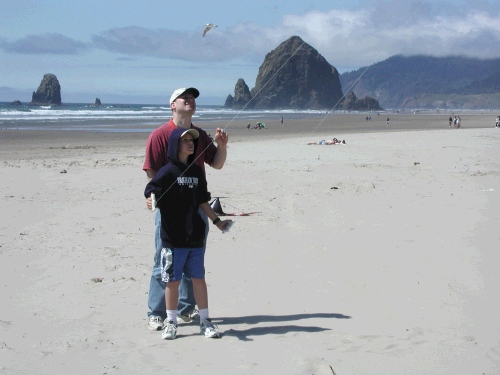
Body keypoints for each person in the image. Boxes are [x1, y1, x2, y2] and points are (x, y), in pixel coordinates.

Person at [143, 87, 228, 331]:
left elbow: (217, 163)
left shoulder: (199, 135)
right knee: (165, 261)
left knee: (193, 261)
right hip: (170, 212)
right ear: (173, 105)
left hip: (197, 209)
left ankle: (186, 308)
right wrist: (154, 197)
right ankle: (156, 312)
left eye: (192, 98)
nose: (190, 100)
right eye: (185, 97)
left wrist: (221, 145)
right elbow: (152, 173)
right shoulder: (160, 135)